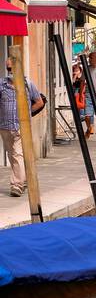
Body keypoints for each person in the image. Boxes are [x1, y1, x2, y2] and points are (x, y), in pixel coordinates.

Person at [0, 56, 45, 197]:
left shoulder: (27, 84)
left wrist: (26, 114)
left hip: (21, 126)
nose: (10, 71)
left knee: (18, 154)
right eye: (8, 68)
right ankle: (23, 180)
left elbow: (39, 102)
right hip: (5, 126)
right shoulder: (1, 84)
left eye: (12, 68)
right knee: (12, 155)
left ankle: (17, 185)